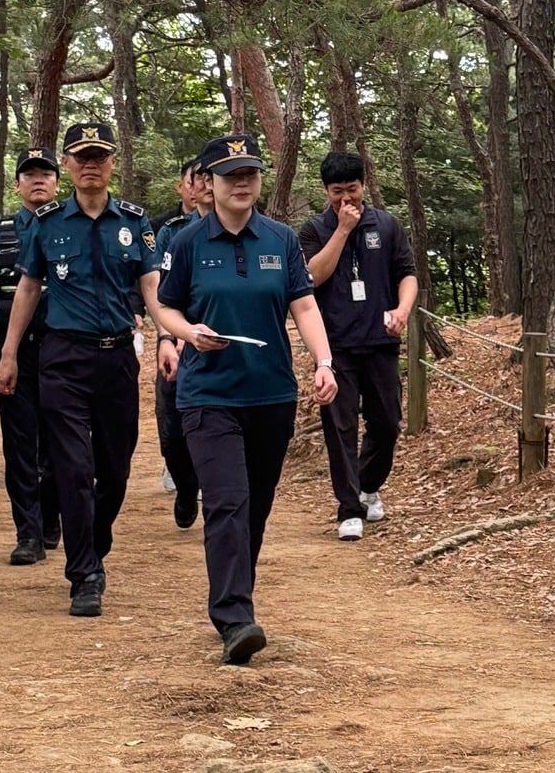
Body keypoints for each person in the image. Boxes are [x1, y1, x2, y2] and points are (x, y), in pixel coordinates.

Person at [155, 133, 338, 665]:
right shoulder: (187, 242)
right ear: (208, 184)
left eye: (250, 174)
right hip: (208, 393)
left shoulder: (280, 240)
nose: (241, 183)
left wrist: (324, 363)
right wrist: (187, 333)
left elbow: (303, 306)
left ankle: (238, 596)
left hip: (271, 393)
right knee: (227, 502)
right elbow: (163, 308)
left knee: (255, 506)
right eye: (230, 175)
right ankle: (234, 615)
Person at [0, 121, 163, 617]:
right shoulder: (47, 223)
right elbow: (28, 288)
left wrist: (171, 335)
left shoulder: (136, 221)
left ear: (113, 163)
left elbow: (152, 288)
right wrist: (8, 354)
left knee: (114, 468)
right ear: (67, 165)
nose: (90, 164)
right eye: (80, 157)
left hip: (115, 360)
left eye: (99, 156)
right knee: (72, 467)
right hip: (62, 358)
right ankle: (84, 573)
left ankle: (95, 537)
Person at [299, 151, 418, 542]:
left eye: (352, 189)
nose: (346, 198)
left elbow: (407, 275)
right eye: (337, 191)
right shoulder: (314, 229)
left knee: (387, 423)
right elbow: (312, 277)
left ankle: (368, 486)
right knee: (341, 428)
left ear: (364, 185)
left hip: (381, 342)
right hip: (336, 348)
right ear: (326, 191)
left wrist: (402, 309)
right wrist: (342, 230)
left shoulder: (386, 226)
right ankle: (348, 508)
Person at [0, 149, 64, 564]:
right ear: (18, 184)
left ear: (58, 182)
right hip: (13, 354)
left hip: (65, 353)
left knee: (63, 444)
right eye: (30, 174)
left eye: (46, 173)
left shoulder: (71, 227)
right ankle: (27, 533)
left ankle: (52, 514)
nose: (38, 180)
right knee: (20, 445)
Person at [153, 157, 211, 529]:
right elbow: (160, 296)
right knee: (172, 432)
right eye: (198, 178)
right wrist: (166, 339)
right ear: (186, 186)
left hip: (224, 351)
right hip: (177, 345)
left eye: (212, 176)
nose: (205, 184)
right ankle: (187, 487)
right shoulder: (172, 233)